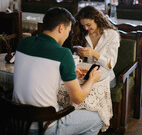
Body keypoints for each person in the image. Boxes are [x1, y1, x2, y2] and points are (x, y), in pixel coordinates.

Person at [12, 7, 103, 135]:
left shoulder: (23, 43)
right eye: (68, 30)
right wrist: (92, 80)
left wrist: (65, 73)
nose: (67, 35)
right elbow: (78, 98)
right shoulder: (64, 54)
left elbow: (39, 71)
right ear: (61, 28)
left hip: (17, 122)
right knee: (98, 118)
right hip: (45, 126)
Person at [71, 6, 120, 88]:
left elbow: (110, 65)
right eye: (83, 26)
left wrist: (95, 54)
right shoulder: (83, 34)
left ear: (96, 19)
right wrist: (81, 55)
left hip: (106, 78)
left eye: (88, 25)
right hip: (87, 75)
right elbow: (79, 60)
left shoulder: (111, 35)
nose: (86, 28)